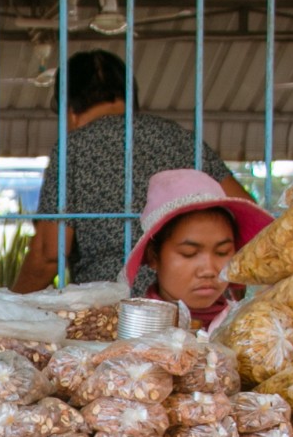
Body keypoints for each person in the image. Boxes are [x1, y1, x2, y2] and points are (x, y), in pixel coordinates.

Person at [14, 49, 248, 292]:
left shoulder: (73, 148)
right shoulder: (180, 138)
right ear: (131, 99)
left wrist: (11, 308)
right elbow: (247, 216)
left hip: (110, 305)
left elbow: (49, 253)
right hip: (185, 300)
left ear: (69, 111)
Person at [121, 169, 273, 328]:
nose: (208, 270)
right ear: (153, 256)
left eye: (222, 252)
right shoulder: (131, 332)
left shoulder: (251, 328)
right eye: (189, 253)